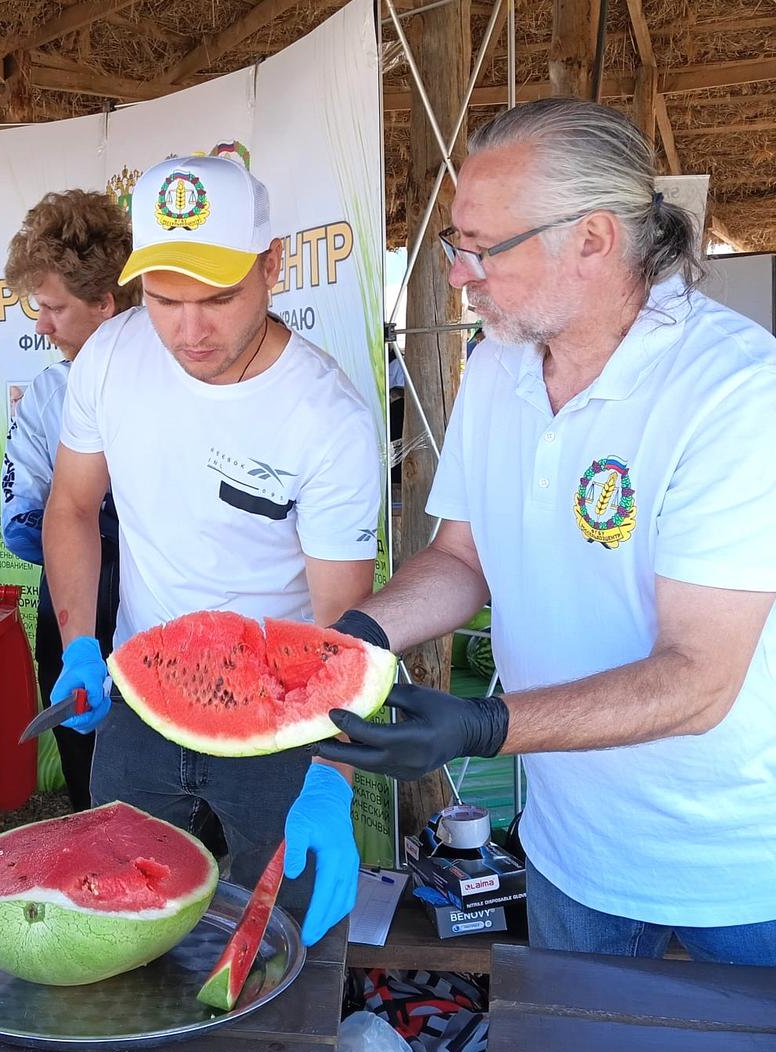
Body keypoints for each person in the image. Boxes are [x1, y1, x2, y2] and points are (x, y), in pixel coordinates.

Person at [320, 98, 776, 965]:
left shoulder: (736, 393)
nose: (458, 275)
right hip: (571, 850)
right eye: (458, 246)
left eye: (483, 249)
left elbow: (699, 681)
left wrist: (481, 727)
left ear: (594, 239)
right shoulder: (497, 366)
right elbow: (463, 557)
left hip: (739, 870)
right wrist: (359, 636)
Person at [42, 155, 384, 945]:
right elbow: (71, 505)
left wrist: (331, 779)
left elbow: (343, 624)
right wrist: (81, 644)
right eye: (163, 299)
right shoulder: (109, 359)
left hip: (282, 720)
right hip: (137, 692)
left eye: (219, 298)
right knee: (121, 926)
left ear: (271, 266)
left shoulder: (325, 418)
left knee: (283, 942)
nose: (189, 330)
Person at [0, 188, 137, 811]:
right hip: (73, 604)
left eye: (52, 307)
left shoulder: (182, 384)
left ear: (105, 304)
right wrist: (80, 529)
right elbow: (21, 523)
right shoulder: (47, 396)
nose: (40, 324)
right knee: (90, 778)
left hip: (165, 604)